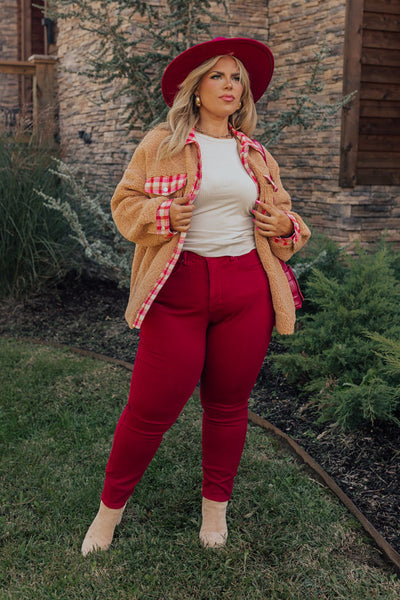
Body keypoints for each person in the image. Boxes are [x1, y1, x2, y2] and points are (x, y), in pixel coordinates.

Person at [81, 37, 311, 556]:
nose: (231, 86)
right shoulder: (161, 144)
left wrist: (284, 225)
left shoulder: (255, 154)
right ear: (197, 88)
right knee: (149, 409)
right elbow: (125, 204)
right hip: (178, 287)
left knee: (228, 406)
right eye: (219, 77)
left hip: (247, 289)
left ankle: (215, 513)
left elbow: (289, 222)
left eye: (237, 79)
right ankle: (107, 516)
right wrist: (162, 217)